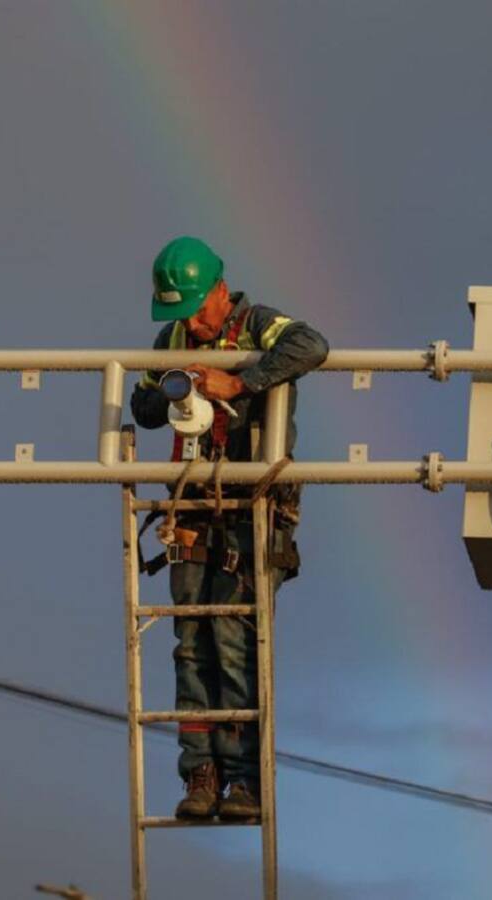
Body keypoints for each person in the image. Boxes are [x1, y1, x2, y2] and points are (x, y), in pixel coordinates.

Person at [130, 236, 329, 820]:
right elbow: (141, 406)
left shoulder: (257, 325)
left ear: (219, 290)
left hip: (252, 506)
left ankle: (243, 781)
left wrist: (237, 382)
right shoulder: (171, 340)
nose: (188, 323)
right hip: (191, 507)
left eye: (194, 310)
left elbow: (311, 345)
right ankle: (201, 775)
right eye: (178, 314)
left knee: (236, 643)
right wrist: (178, 386)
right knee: (191, 644)